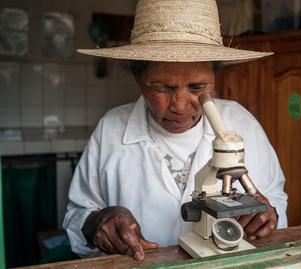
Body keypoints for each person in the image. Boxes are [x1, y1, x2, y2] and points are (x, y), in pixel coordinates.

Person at [63, 0, 288, 261]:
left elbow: (275, 198)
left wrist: (267, 216)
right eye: (161, 88)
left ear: (215, 77)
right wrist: (99, 220)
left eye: (198, 87)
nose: (180, 106)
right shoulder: (111, 129)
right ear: (138, 78)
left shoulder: (241, 122)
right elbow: (76, 214)